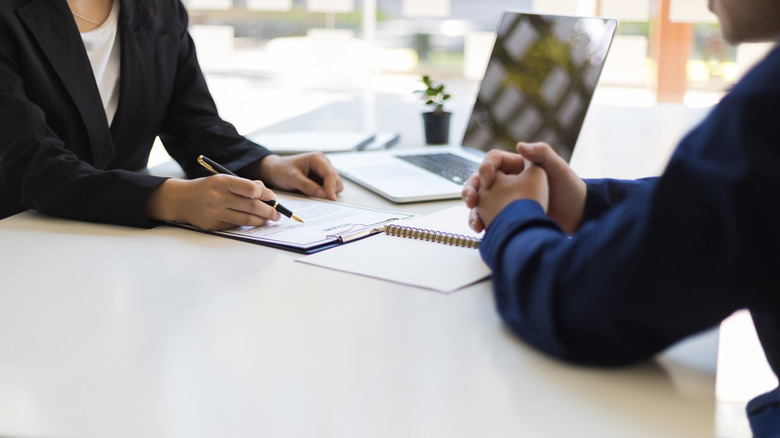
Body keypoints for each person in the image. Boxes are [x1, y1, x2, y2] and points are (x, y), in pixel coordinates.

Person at [462, 0, 780, 435]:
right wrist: (584, 202)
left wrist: (512, 219)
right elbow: (715, 196)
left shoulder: (768, 107)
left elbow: (577, 302)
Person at [0, 0, 343, 230]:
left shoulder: (159, 7)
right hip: (22, 237)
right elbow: (30, 163)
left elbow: (192, 123)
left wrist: (267, 165)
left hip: (117, 245)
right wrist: (165, 199)